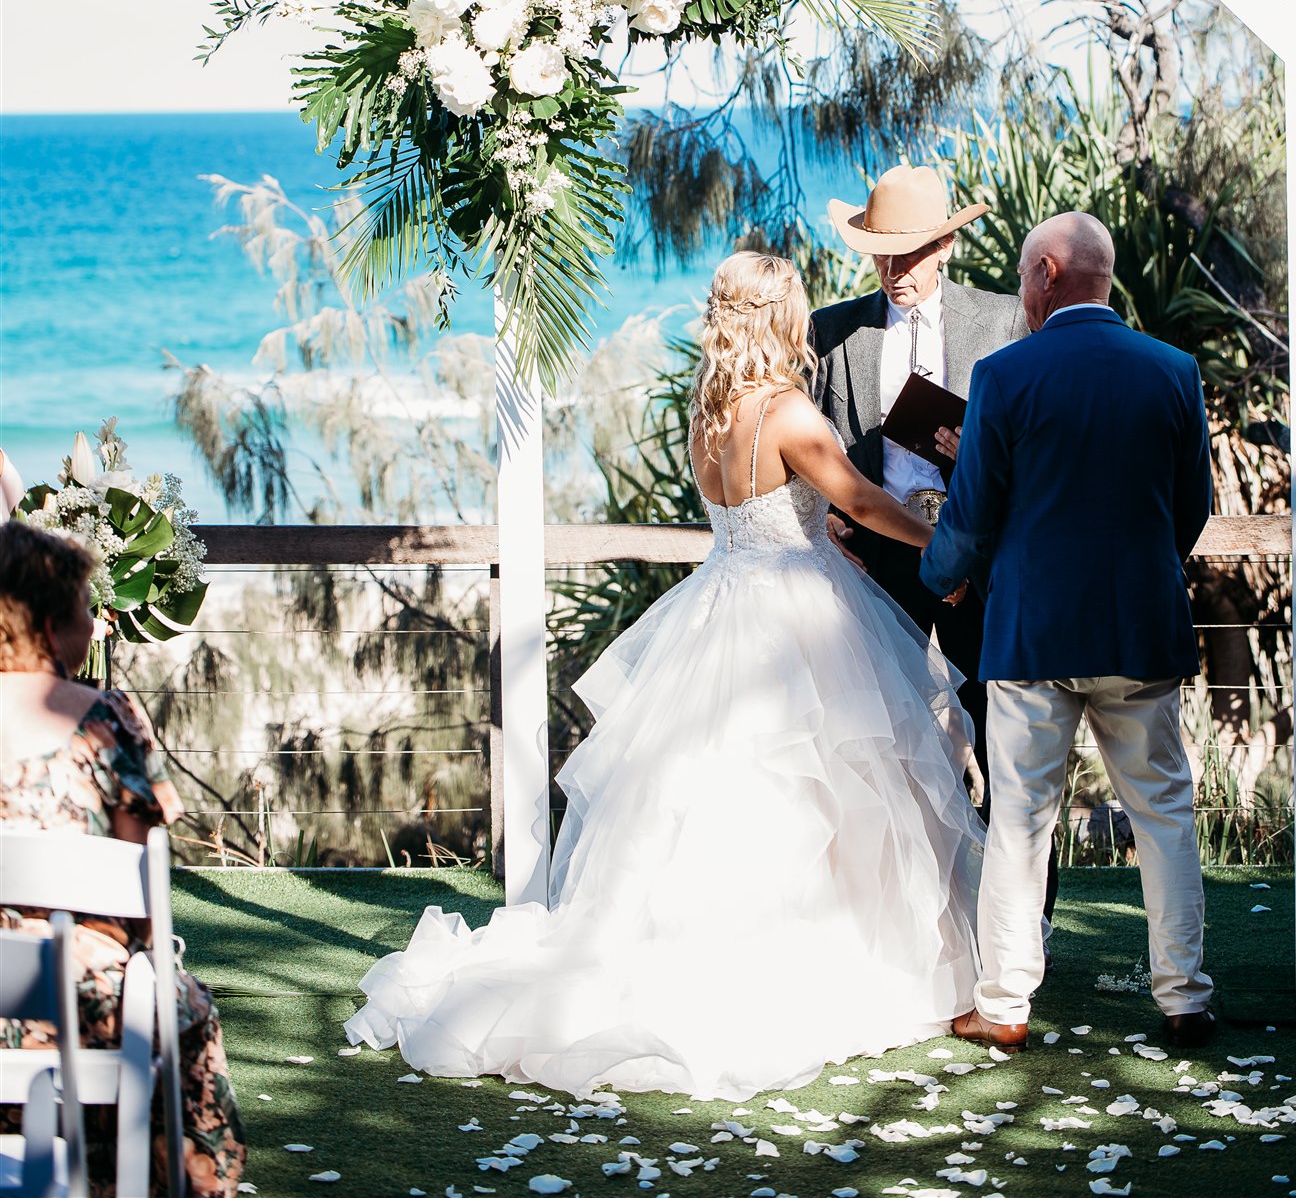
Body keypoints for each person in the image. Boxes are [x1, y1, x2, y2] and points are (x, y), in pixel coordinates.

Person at [347, 252, 985, 1098]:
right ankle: (818, 963)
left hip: (721, 601)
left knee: (724, 798)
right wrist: (947, 547)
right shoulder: (789, 412)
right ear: (778, 318)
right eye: (794, 307)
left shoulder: (709, 412)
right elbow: (861, 503)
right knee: (822, 788)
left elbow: (750, 515)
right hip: (793, 612)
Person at [921, 211, 1216, 1049]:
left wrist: (934, 576)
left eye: (1022, 275)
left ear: (1047, 272)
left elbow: (972, 516)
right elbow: (1187, 508)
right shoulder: (1173, 371)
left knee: (1020, 820)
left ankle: (1004, 1007)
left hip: (1033, 635)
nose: (1020, 290)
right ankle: (1184, 999)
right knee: (1163, 811)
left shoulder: (1004, 375)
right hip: (1137, 629)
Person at [0, 520, 247, 1197]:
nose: (97, 626)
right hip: (79, 1000)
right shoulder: (105, 717)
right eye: (86, 609)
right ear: (50, 627)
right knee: (176, 1005)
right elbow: (139, 884)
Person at [812, 164, 1027, 800]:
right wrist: (824, 514)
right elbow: (807, 442)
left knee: (1002, 739)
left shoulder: (1004, 323)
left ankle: (1022, 903)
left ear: (944, 247)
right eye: (881, 255)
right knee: (878, 741)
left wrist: (975, 456)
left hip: (979, 567)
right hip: (875, 567)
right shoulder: (833, 331)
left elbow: (1033, 451)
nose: (892, 270)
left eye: (907, 255)